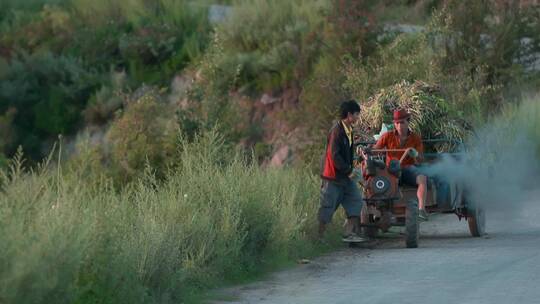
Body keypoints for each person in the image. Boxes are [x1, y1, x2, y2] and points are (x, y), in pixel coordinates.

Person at [318, 100, 366, 242]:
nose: (358, 117)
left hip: (345, 177)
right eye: (356, 114)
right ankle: (319, 238)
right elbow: (334, 156)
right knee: (327, 207)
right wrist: (348, 170)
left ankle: (348, 233)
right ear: (349, 114)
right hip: (332, 178)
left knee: (356, 201)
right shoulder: (336, 132)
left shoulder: (349, 130)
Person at [373, 108, 429, 221]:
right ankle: (378, 209)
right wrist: (368, 151)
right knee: (377, 182)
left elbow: (421, 159)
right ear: (394, 124)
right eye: (397, 123)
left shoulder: (415, 138)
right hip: (392, 169)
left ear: (408, 122)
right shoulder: (387, 136)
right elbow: (375, 150)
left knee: (422, 178)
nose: (399, 126)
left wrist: (416, 154)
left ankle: (421, 210)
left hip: (408, 168)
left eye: (402, 122)